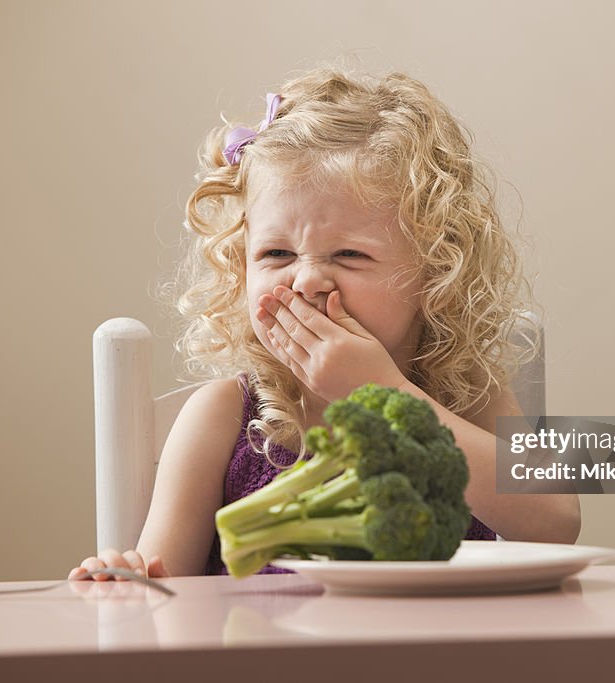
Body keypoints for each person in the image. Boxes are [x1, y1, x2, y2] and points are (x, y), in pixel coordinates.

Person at [69, 63, 581, 581]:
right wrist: (127, 575)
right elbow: (162, 585)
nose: (307, 280)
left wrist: (385, 393)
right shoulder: (224, 415)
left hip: (434, 661)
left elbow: (557, 522)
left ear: (435, 271)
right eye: (276, 252)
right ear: (240, 262)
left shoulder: (467, 395)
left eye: (350, 254)